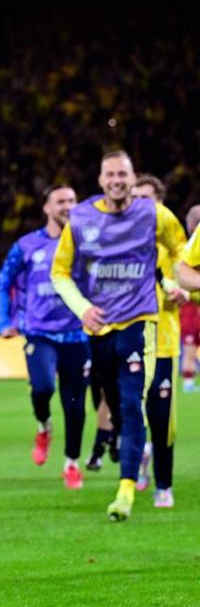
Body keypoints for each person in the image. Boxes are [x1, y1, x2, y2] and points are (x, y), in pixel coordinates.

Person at [50, 151, 186, 520]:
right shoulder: (81, 219)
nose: (117, 181)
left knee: (131, 404)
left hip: (141, 323)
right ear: (100, 180)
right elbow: (59, 272)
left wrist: (178, 282)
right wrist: (82, 308)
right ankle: (134, 457)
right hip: (98, 328)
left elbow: (181, 252)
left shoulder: (155, 214)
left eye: (123, 174)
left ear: (132, 177)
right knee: (111, 405)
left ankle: (127, 489)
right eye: (110, 174)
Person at [0, 185, 89, 488]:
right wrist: (3, 321)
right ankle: (43, 425)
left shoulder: (87, 243)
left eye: (72, 200)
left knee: (75, 405)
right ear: (46, 208)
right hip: (39, 332)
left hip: (78, 334)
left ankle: (71, 463)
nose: (68, 206)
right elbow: (3, 281)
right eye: (61, 201)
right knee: (43, 388)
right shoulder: (27, 245)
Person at [129, 175, 179, 507]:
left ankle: (164, 484)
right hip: (131, 338)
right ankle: (138, 456)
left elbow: (189, 287)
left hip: (163, 342)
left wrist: (179, 290)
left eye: (147, 199)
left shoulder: (173, 249)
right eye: (136, 199)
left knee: (163, 420)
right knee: (130, 409)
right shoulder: (123, 246)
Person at [180, 205, 200, 392]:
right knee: (190, 347)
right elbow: (181, 273)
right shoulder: (187, 250)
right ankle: (188, 383)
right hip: (190, 309)